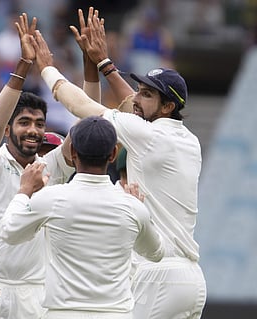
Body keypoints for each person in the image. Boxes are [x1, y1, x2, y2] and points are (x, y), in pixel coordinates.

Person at [31, 9, 207, 319]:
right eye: (140, 90)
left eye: (147, 94)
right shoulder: (186, 139)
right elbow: (133, 110)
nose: (138, 98)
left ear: (167, 106)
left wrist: (47, 70)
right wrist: (104, 64)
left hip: (157, 273)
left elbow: (83, 107)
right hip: (191, 281)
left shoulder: (149, 136)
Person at [0, 13, 74, 319]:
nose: (33, 130)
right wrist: (23, 66)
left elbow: (88, 133)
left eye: (39, 123)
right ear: (9, 131)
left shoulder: (51, 166)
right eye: (24, 122)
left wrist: (82, 66)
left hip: (33, 292)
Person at [0, 116, 164, 319]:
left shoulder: (52, 197)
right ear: (113, 154)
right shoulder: (131, 206)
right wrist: (140, 211)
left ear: (73, 152)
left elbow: (9, 232)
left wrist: (24, 190)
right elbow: (156, 253)